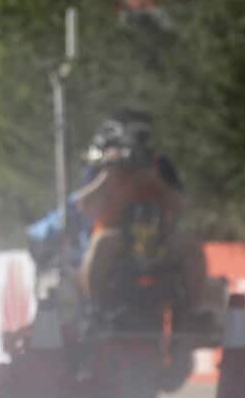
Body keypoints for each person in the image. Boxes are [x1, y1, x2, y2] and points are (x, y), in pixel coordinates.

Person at [74, 108, 206, 313]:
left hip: (157, 236)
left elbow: (181, 205)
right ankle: (95, 309)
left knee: (190, 246)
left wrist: (156, 182)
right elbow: (82, 205)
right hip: (115, 236)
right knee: (101, 245)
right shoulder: (103, 164)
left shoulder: (160, 165)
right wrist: (106, 177)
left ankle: (193, 311)